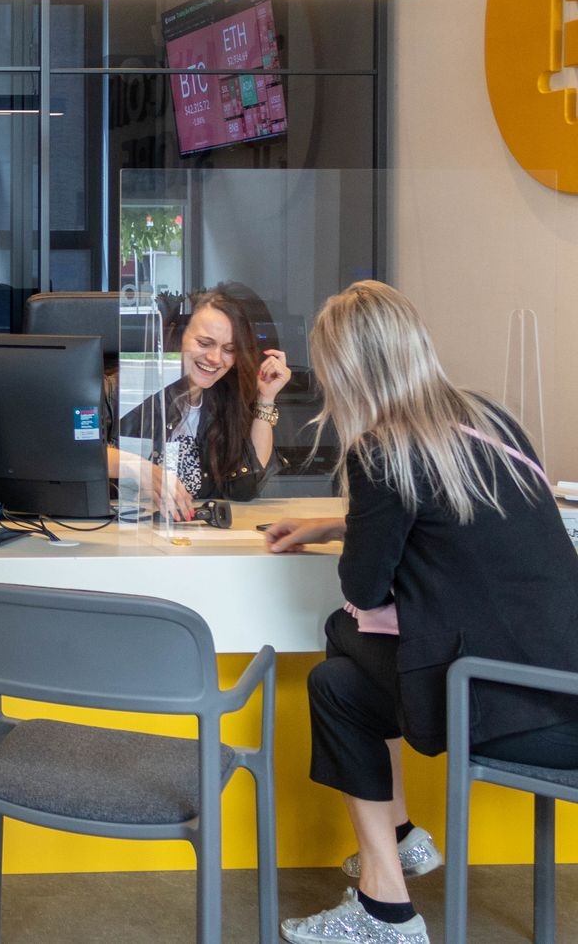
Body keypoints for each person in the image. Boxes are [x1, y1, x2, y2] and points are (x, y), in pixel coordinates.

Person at [269, 280, 578, 944]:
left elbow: (364, 591)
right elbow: (452, 527)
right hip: (562, 692)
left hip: (517, 711)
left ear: (347, 371)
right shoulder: (490, 420)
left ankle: (399, 866)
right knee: (337, 684)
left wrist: (356, 533)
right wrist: (340, 525)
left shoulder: (383, 451)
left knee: (340, 633)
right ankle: (388, 895)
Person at [111, 283, 289, 519]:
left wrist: (266, 398)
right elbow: (77, 454)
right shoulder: (126, 389)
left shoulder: (226, 400)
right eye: (204, 343)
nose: (215, 358)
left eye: (229, 349)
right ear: (178, 336)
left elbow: (245, 488)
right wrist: (140, 468)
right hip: (125, 530)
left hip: (195, 534)